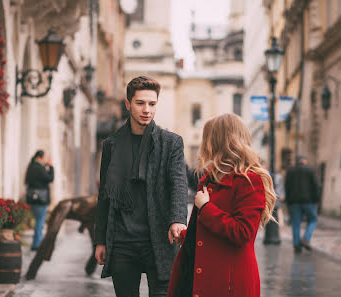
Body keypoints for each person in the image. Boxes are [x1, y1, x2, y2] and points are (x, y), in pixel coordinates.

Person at [94, 76, 188, 297]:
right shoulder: (112, 145)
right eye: (140, 103)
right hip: (122, 242)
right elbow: (104, 195)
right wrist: (100, 240)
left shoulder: (171, 143)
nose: (147, 109)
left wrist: (177, 219)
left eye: (152, 104)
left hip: (159, 239)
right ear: (128, 104)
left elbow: (178, 183)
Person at [167, 113, 277, 297]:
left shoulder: (249, 181)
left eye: (207, 137)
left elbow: (243, 232)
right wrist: (186, 235)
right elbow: (208, 230)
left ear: (218, 141)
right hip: (196, 276)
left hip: (227, 282)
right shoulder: (211, 179)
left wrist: (206, 208)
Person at [284, 155, 320, 253]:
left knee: (296, 223)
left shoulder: (290, 171)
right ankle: (306, 238)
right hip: (309, 201)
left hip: (294, 202)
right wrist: (317, 199)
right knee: (313, 219)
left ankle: (296, 245)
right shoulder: (310, 170)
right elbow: (316, 185)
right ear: (304, 160)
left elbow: (287, 186)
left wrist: (288, 201)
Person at [25, 150, 54, 251]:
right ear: (40, 157)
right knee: (40, 223)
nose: (46, 160)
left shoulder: (31, 166)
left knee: (38, 222)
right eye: (45, 158)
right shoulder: (39, 167)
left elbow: (26, 181)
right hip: (41, 200)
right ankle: (37, 245)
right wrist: (50, 167)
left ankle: (37, 243)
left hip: (32, 199)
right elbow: (50, 178)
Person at [261, 160, 285, 244]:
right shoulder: (263, 175)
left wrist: (279, 196)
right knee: (268, 218)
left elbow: (278, 187)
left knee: (273, 218)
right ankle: (270, 237)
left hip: (273, 200)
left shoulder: (274, 176)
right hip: (267, 200)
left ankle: (273, 237)